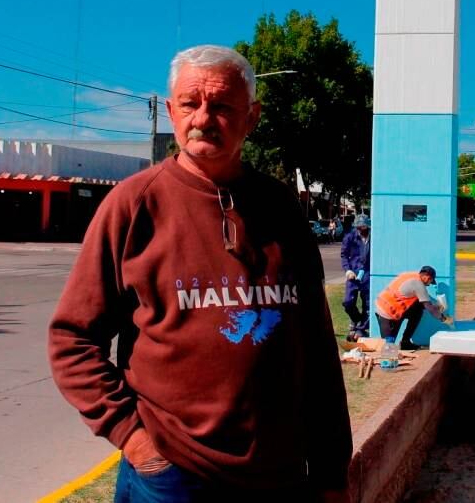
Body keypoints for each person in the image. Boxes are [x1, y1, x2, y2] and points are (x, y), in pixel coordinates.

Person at [47, 45, 351, 502]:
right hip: (174, 478)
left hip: (281, 477)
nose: (204, 118)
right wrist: (136, 441)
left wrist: (331, 472)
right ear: (171, 112)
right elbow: (72, 339)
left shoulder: (283, 209)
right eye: (191, 103)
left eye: (223, 106)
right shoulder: (133, 206)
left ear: (252, 117)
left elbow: (317, 349)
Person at [374, 266, 451, 351]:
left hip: (384, 304)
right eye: (430, 282)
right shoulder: (418, 285)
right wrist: (444, 319)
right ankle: (389, 354)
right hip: (387, 313)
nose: (429, 285)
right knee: (389, 348)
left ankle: (405, 343)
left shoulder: (410, 275)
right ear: (428, 277)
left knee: (417, 310)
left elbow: (423, 301)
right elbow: (430, 308)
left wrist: (436, 306)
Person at [340, 215, 371, 339]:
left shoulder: (374, 237)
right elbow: (344, 255)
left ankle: (361, 330)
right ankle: (357, 320)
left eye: (362, 227)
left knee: (367, 304)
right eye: (358, 227)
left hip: (368, 274)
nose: (360, 229)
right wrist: (347, 270)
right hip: (353, 273)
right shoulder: (350, 237)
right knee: (348, 302)